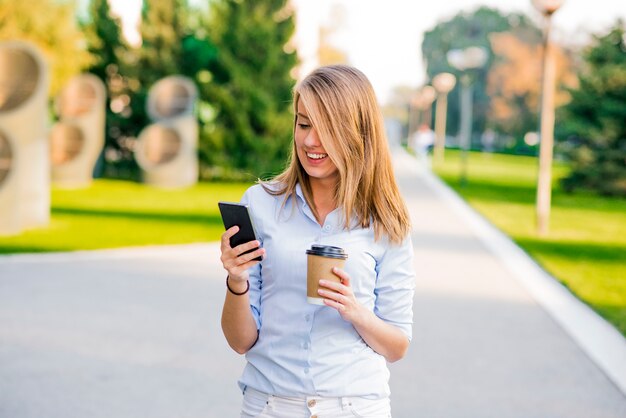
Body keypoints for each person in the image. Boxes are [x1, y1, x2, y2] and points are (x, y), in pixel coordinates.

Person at [220, 65, 415, 418]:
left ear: (357, 132)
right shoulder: (260, 203)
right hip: (269, 405)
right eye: (304, 123)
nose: (310, 141)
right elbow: (240, 341)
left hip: (355, 407)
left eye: (326, 128)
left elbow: (397, 345)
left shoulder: (385, 220)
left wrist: (355, 311)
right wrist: (236, 281)